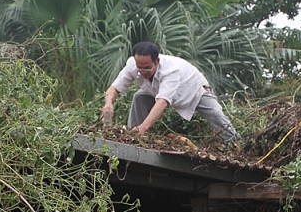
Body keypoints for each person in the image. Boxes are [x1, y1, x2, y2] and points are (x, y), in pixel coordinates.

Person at [101, 41, 238, 143]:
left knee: (215, 113)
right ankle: (132, 135)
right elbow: (115, 88)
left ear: (157, 61)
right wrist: (108, 103)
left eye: (147, 68)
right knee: (140, 97)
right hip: (158, 92)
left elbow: (162, 102)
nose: (143, 72)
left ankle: (234, 142)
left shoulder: (170, 69)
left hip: (193, 90)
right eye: (139, 68)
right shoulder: (132, 64)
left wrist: (144, 127)